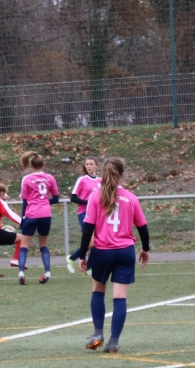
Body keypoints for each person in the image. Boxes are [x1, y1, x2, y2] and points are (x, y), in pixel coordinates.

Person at [76, 158, 150, 354]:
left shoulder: (95, 197)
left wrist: (82, 255)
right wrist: (145, 249)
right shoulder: (131, 198)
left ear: (103, 175)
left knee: (98, 291)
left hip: (102, 251)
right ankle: (114, 342)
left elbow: (88, 229)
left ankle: (98, 334)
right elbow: (142, 227)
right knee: (120, 297)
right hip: (125, 252)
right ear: (122, 176)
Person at [17, 151, 59, 284]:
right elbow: (56, 199)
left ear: (31, 165)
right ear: (43, 164)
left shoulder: (27, 179)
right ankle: (47, 272)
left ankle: (21, 272)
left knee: (24, 245)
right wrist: (45, 202)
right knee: (43, 245)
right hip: (46, 214)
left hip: (31, 213)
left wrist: (23, 218)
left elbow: (25, 201)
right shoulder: (50, 178)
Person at [66, 157, 100, 274]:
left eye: (91, 164)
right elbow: (73, 198)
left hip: (97, 214)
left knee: (97, 241)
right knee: (92, 241)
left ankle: (86, 266)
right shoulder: (82, 180)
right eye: (87, 164)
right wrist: (89, 203)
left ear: (96, 166)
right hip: (84, 213)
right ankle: (74, 258)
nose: (89, 166)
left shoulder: (101, 181)